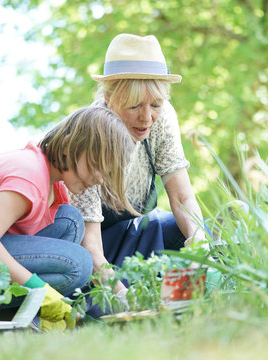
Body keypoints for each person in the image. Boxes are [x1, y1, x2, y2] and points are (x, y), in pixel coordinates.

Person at [0, 105, 137, 329]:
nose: (100, 179)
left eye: (107, 172)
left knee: (69, 221)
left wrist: (121, 295)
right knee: (78, 264)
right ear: (72, 146)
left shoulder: (50, 182)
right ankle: (29, 312)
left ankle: (18, 323)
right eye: (98, 166)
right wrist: (39, 292)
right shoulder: (29, 176)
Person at [69, 34, 207, 305]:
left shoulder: (163, 117)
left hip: (138, 238)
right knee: (102, 311)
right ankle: (143, 304)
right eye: (134, 106)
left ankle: (180, 307)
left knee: (195, 232)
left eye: (155, 104)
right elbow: (90, 247)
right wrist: (125, 299)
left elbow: (182, 197)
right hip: (91, 250)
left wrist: (198, 240)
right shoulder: (89, 137)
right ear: (109, 98)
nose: (146, 117)